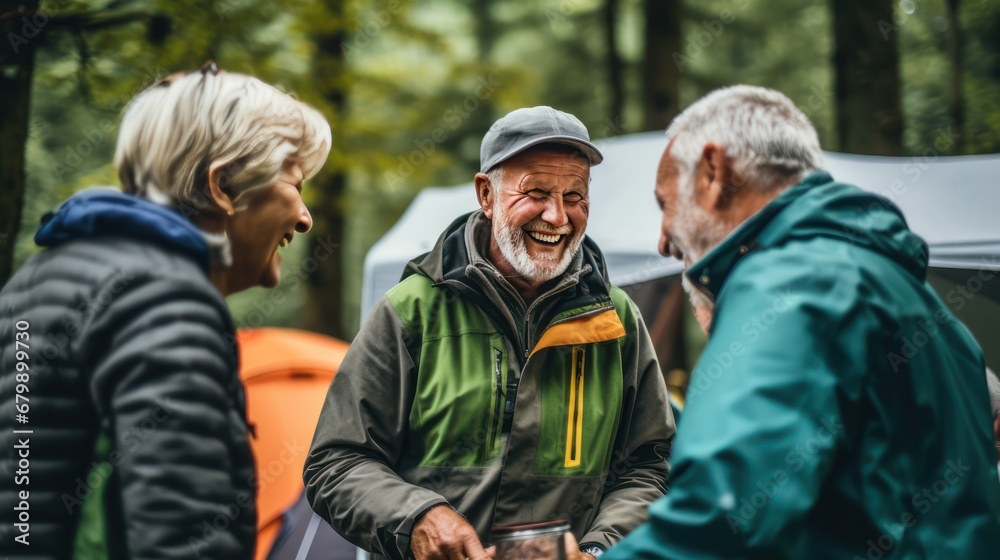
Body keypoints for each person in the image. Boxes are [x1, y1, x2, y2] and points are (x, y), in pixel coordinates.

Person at [602, 85, 1000, 559]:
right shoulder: (911, 295)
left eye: (665, 204)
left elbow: (721, 523)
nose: (663, 240)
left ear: (715, 171)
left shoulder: (792, 285)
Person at [305, 106, 674, 560]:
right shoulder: (413, 311)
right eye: (536, 192)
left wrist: (602, 549)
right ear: (486, 194)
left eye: (575, 195)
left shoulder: (617, 321)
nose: (557, 216)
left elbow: (649, 466)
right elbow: (335, 463)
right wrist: (417, 516)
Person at [0, 65, 331, 559]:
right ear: (222, 187)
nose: (305, 219)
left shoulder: (40, 279)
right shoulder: (161, 299)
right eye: (296, 185)